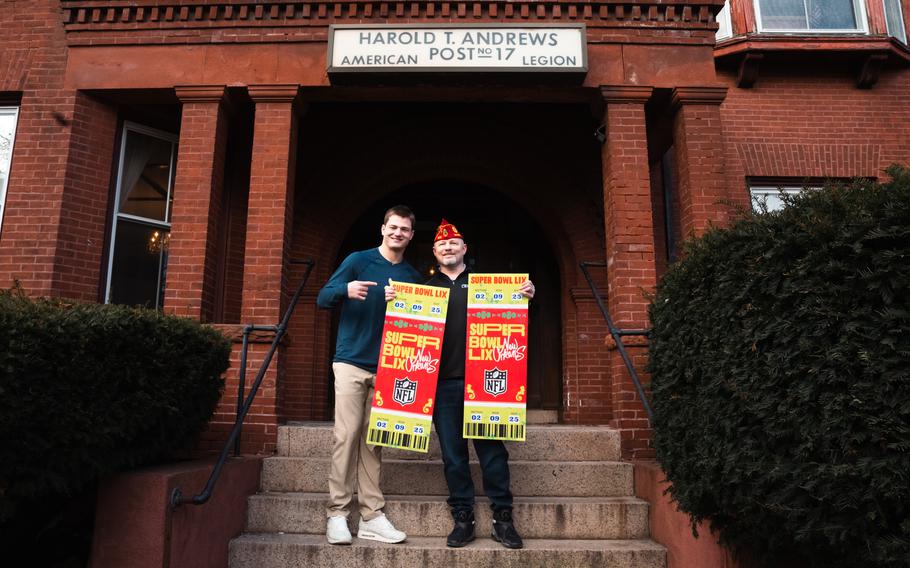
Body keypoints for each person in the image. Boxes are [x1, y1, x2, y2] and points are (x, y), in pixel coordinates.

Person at [386, 219, 534, 549]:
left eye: (454, 243)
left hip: (485, 383)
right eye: (441, 245)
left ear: (464, 248)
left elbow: (515, 316)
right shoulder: (425, 289)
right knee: (453, 455)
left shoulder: (487, 285)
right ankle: (463, 517)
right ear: (434, 252)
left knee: (493, 454)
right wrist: (393, 301)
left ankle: (503, 519)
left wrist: (526, 295)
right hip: (442, 384)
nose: (448, 247)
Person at [316, 205, 421, 545]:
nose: (398, 233)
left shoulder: (412, 276)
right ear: (383, 228)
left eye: (404, 229)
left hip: (389, 367)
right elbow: (322, 297)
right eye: (393, 227)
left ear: (411, 235)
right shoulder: (358, 260)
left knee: (373, 442)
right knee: (346, 436)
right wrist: (345, 290)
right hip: (350, 361)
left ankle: (372, 515)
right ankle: (337, 513)